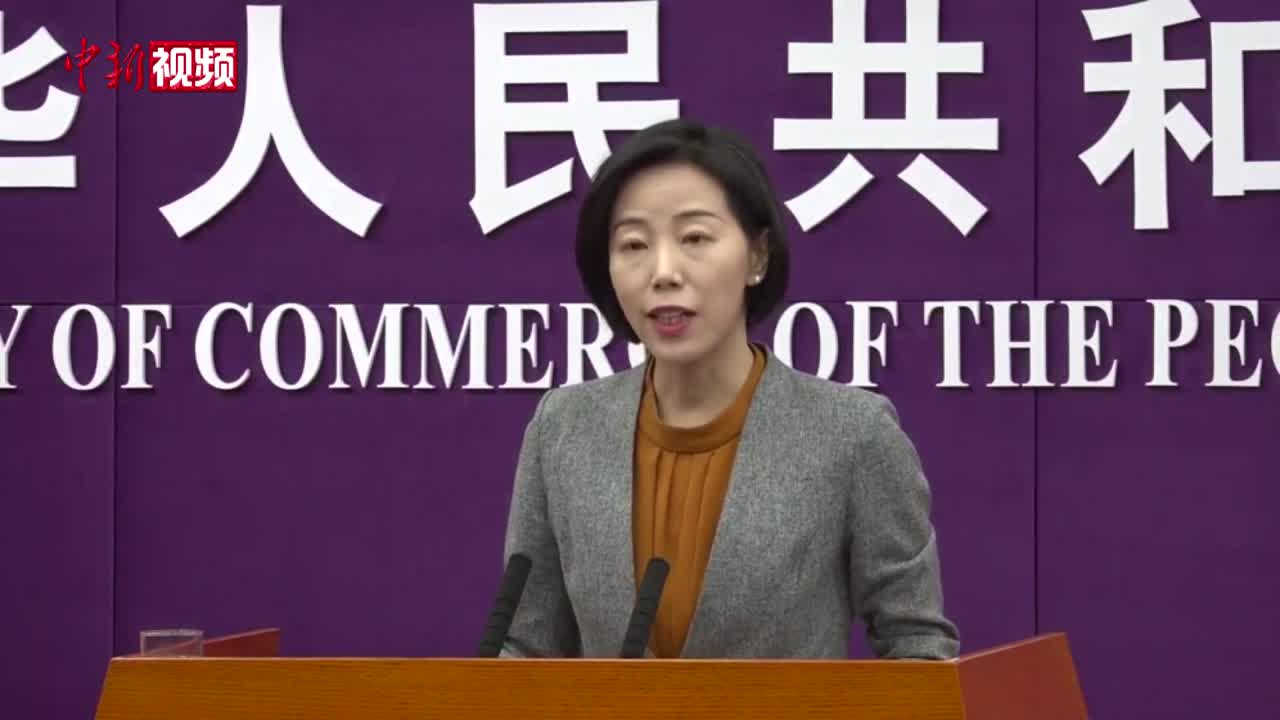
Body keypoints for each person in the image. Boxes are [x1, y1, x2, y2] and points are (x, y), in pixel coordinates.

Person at [499, 118, 958, 660]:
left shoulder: (853, 435)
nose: (663, 272)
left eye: (694, 238)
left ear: (757, 256)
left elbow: (917, 648)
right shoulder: (563, 428)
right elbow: (525, 649)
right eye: (634, 244)